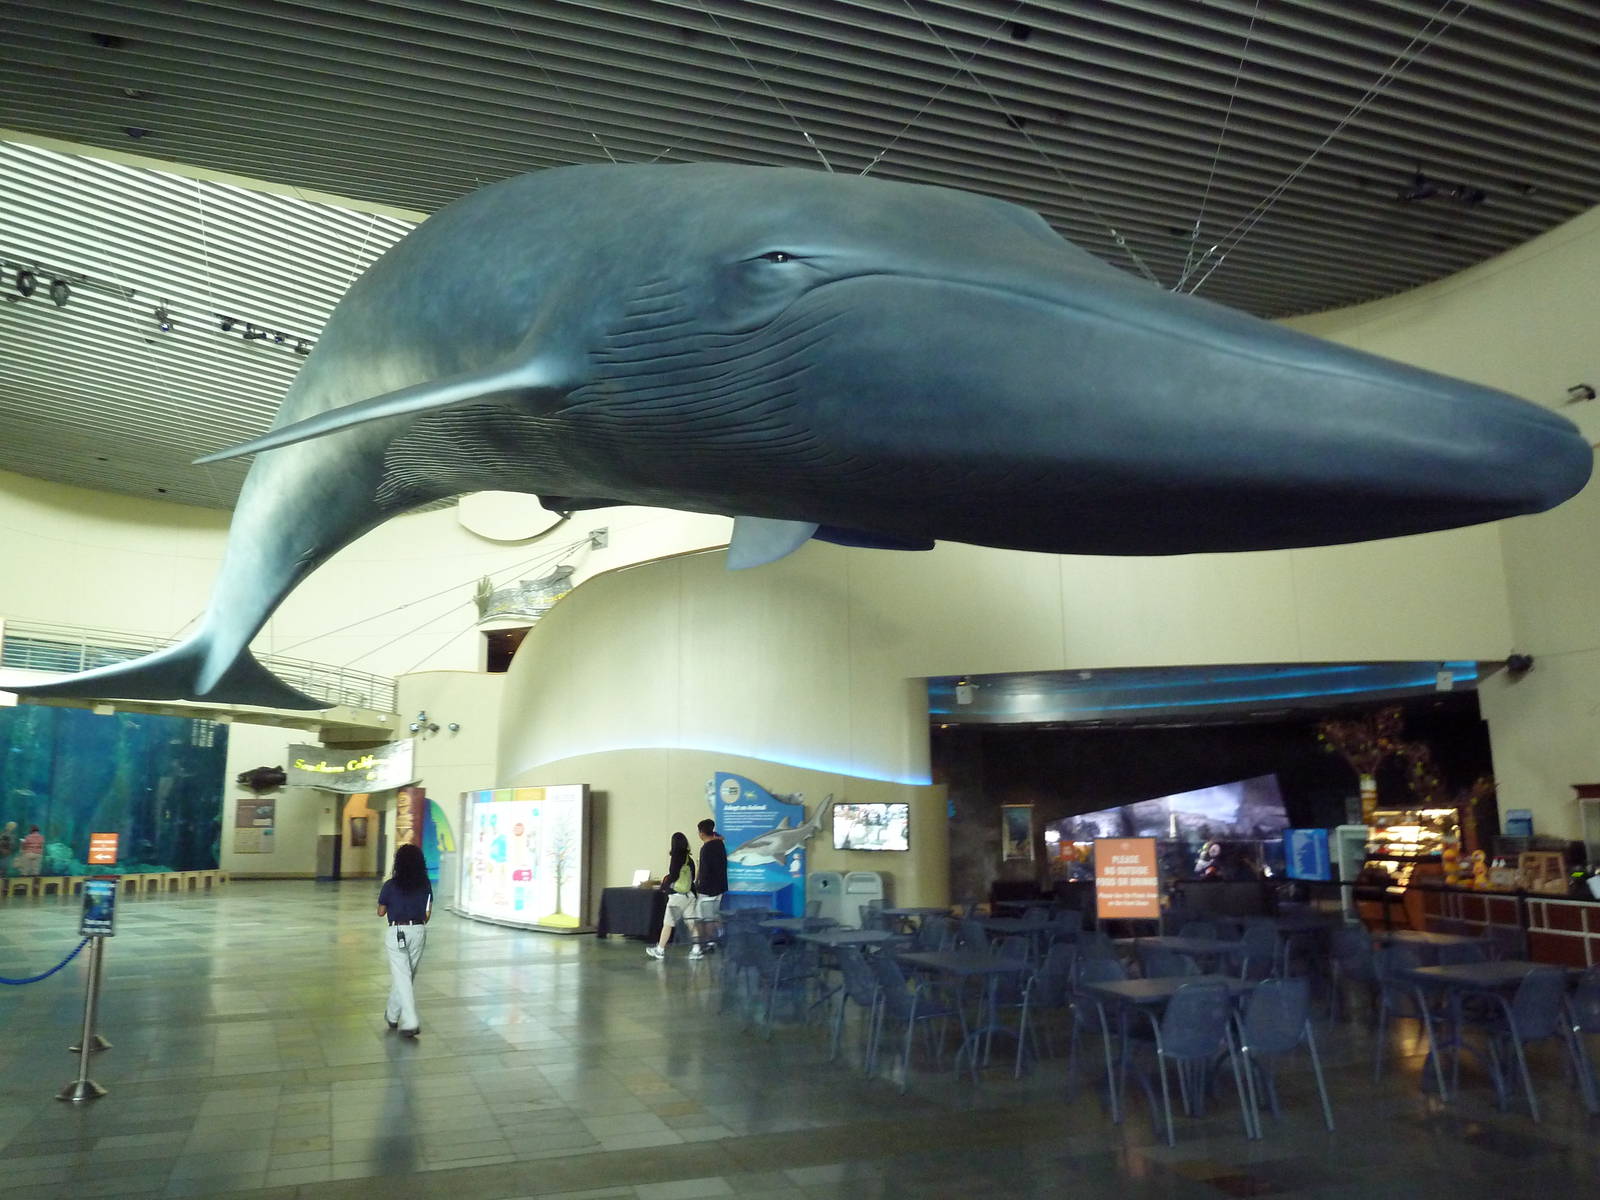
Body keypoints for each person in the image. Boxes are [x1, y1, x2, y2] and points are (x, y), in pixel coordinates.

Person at [376, 842, 432, 1036]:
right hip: (418, 931)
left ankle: (410, 1021)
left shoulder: (390, 885)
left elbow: (380, 912)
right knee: (406, 976)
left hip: (396, 931)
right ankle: (392, 1015)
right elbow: (427, 914)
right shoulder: (425, 884)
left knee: (402, 976)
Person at [646, 831, 695, 961]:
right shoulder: (689, 859)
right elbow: (693, 877)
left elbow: (673, 875)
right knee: (691, 923)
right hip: (690, 895)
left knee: (668, 923)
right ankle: (697, 949)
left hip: (677, 895)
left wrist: (666, 885)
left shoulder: (676, 857)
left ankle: (660, 949)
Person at [690, 818, 727, 960]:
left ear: (701, 833)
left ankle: (701, 945)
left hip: (707, 890)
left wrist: (698, 887)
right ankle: (713, 941)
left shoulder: (706, 849)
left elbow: (704, 871)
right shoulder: (720, 844)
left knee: (702, 918)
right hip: (720, 887)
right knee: (713, 915)